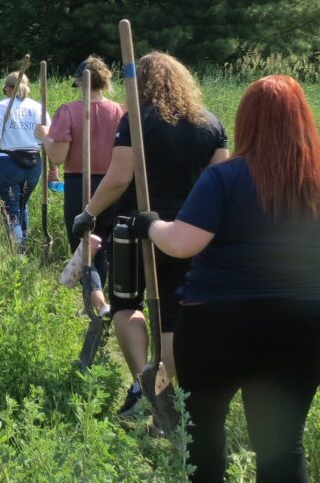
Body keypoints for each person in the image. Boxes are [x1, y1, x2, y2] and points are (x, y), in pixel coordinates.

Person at [128, 75, 320, 482]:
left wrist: (151, 225)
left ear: (247, 121)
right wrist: (298, 260)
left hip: (217, 325)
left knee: (204, 436)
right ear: (304, 121)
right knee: (283, 443)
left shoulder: (225, 178)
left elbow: (183, 243)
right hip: (303, 326)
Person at [72, 52, 229, 417]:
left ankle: (141, 383)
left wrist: (88, 213)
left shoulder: (137, 121)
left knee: (127, 305)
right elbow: (221, 183)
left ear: (139, 84)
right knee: (175, 315)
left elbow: (120, 177)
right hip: (188, 232)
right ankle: (153, 385)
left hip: (135, 229)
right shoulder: (210, 124)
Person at [35, 56, 124, 315]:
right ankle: (96, 303)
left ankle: (97, 304)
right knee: (103, 245)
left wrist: (43, 138)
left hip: (80, 184)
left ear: (78, 82)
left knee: (82, 245)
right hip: (113, 185)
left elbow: (58, 157)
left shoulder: (70, 111)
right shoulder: (119, 111)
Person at [0, 72, 48, 252]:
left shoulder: (2, 106)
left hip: (8, 164)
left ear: (9, 88)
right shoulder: (39, 107)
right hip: (34, 164)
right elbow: (49, 138)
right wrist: (54, 169)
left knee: (11, 210)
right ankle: (23, 244)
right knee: (21, 206)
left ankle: (18, 257)